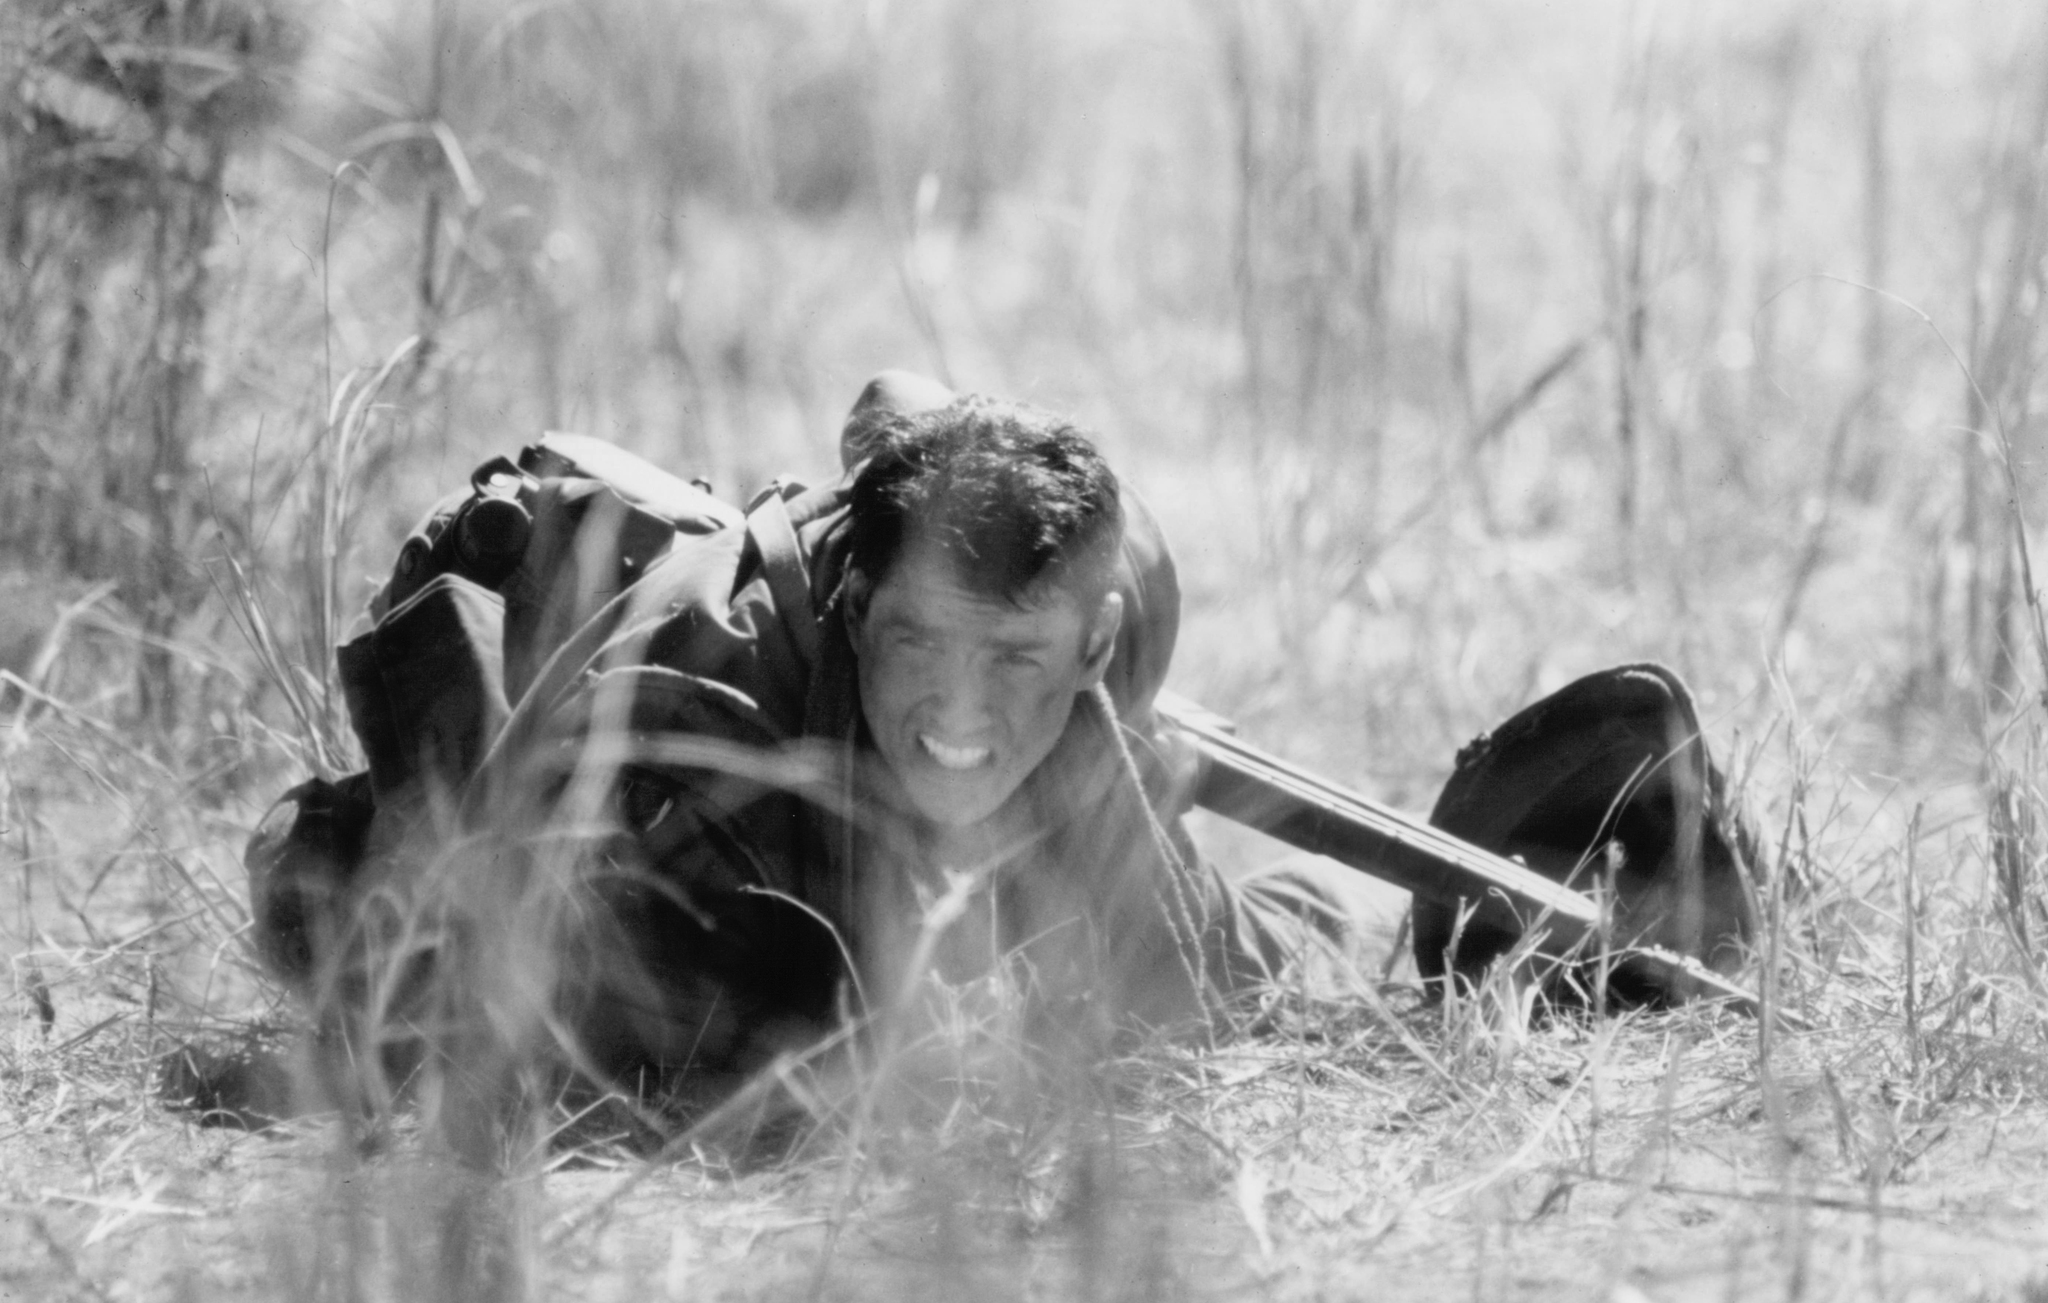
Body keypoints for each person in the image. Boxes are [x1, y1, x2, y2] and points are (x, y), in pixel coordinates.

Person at [245, 375, 1333, 1115]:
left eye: (1012, 657)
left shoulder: (1089, 665)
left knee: (1248, 958)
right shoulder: (694, 760)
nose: (960, 707)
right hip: (648, 816)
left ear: (1092, 647)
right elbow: (681, 1093)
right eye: (923, 640)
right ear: (859, 608)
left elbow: (1210, 989)